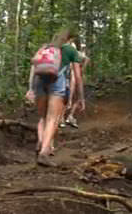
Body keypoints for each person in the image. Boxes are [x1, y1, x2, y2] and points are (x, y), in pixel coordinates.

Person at [26, 29, 84, 167]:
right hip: (57, 81)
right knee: (52, 118)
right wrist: (81, 97)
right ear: (69, 39)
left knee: (43, 118)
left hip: (39, 81)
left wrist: (31, 89)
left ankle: (40, 142)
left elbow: (33, 67)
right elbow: (77, 75)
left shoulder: (45, 47)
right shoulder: (70, 50)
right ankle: (44, 152)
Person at [64, 43, 90, 128]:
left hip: (71, 76)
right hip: (73, 76)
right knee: (74, 98)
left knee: (74, 98)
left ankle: (69, 116)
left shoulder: (75, 55)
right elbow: (81, 70)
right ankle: (68, 116)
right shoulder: (80, 56)